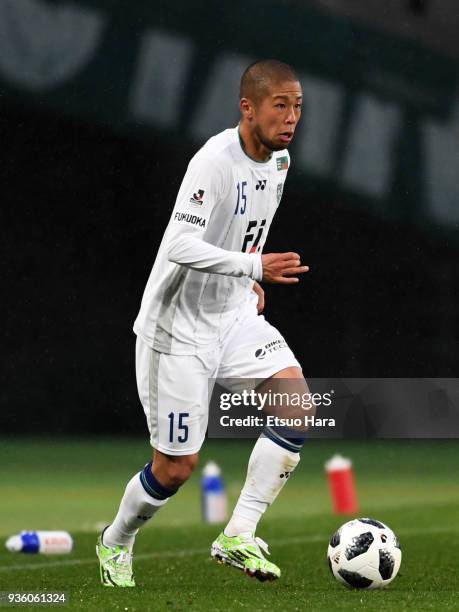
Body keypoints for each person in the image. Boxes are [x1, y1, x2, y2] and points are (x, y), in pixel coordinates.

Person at [96, 59, 309, 587]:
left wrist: (245, 275)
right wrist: (254, 267)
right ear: (248, 108)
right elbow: (181, 246)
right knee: (175, 469)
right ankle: (115, 540)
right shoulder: (214, 161)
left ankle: (238, 533)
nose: (290, 118)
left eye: (297, 106)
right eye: (279, 105)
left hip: (231, 313)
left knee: (297, 404)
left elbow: (242, 234)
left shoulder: (279, 164)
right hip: (178, 330)